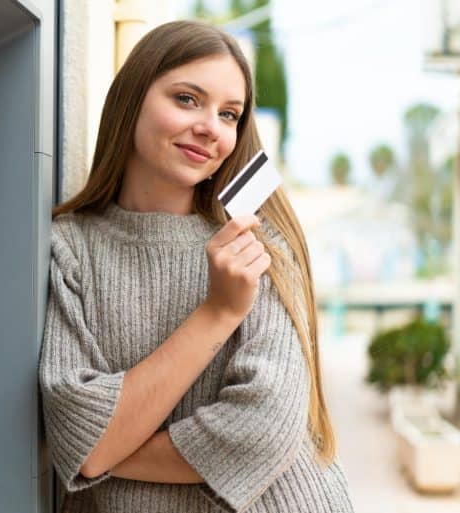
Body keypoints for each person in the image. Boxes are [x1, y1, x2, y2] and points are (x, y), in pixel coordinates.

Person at [38, 20, 356, 513]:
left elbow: (262, 430)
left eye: (230, 114)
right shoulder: (69, 248)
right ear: (133, 99)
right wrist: (219, 313)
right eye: (187, 99)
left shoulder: (258, 244)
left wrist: (106, 444)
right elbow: (81, 430)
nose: (212, 128)